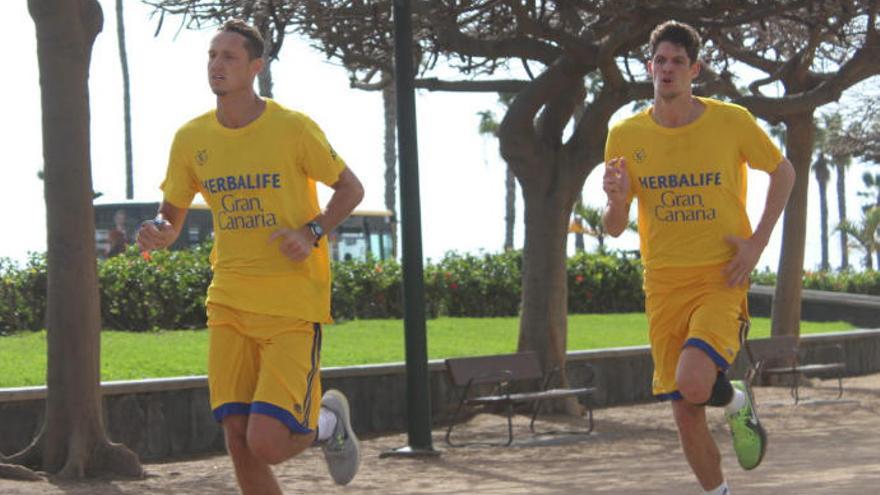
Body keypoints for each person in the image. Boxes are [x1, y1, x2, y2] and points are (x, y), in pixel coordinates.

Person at [137, 19, 365, 493]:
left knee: (266, 442)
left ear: (255, 67)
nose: (216, 65)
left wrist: (312, 230)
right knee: (237, 437)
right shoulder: (191, 138)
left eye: (229, 57)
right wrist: (158, 232)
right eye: (212, 55)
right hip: (228, 302)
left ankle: (327, 423)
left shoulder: (292, 128)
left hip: (291, 306)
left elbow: (350, 188)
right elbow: (171, 217)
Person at [602, 20, 795, 495]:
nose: (667, 70)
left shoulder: (731, 121)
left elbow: (783, 171)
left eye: (678, 62)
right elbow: (613, 226)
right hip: (662, 283)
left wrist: (757, 243)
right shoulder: (625, 134)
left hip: (720, 276)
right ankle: (721, 479)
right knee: (685, 413)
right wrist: (618, 199)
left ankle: (730, 398)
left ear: (695, 69)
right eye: (660, 61)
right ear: (650, 67)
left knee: (693, 382)